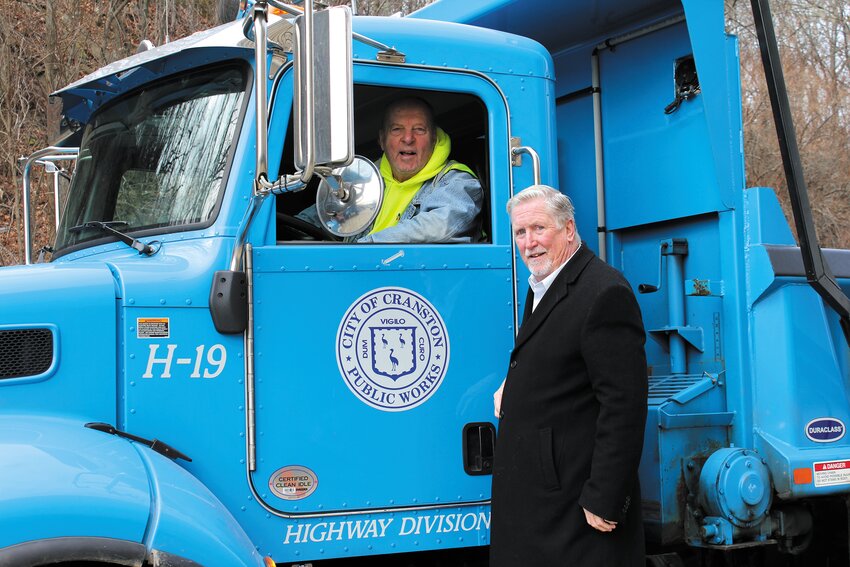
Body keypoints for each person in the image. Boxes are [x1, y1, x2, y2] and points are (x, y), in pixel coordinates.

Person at [489, 185, 648, 566]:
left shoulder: (603, 292)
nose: (529, 243)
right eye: (520, 233)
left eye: (539, 229)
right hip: (541, 503)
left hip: (577, 512)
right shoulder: (544, 283)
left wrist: (605, 498)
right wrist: (514, 384)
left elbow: (624, 404)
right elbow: (557, 356)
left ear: (569, 229)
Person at [298, 96, 483, 243]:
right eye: (397, 129)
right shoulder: (361, 178)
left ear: (433, 138)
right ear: (382, 140)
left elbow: (440, 225)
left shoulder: (458, 181)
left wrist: (362, 249)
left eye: (419, 129)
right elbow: (320, 217)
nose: (408, 138)